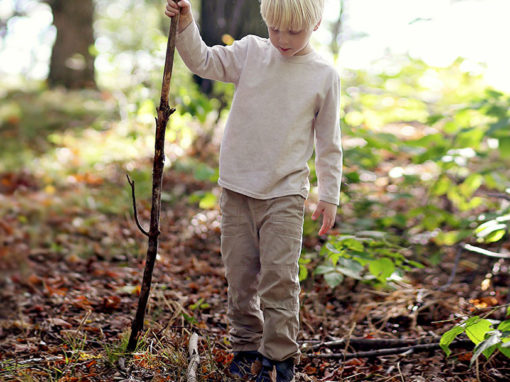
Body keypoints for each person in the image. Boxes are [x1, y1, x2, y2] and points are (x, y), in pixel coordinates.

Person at [165, 0, 342, 380]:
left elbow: (329, 142)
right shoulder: (250, 52)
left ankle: (279, 356)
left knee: (280, 278)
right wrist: (185, 24)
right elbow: (204, 62)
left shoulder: (323, 74)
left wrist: (329, 194)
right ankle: (246, 346)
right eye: (274, 29)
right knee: (240, 276)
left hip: (285, 194)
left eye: (293, 31)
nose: (281, 39)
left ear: (316, 23)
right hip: (237, 188)